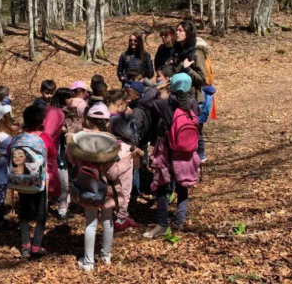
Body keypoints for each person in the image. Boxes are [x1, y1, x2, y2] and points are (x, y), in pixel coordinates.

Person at [66, 104, 132, 272]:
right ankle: (106, 256)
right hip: (107, 190)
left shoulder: (78, 138)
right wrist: (127, 159)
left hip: (86, 186)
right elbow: (112, 173)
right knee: (108, 220)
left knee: (90, 222)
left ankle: (88, 262)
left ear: (87, 120)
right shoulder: (110, 142)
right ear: (107, 122)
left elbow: (72, 160)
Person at [142, 73, 201, 238]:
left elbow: (144, 101)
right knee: (183, 187)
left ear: (171, 86)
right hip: (187, 152)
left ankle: (162, 224)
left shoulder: (165, 104)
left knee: (162, 188)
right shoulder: (193, 104)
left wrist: (157, 87)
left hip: (168, 152)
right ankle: (179, 221)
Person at [10, 105, 50, 258]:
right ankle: (36, 246)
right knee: (41, 214)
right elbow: (51, 153)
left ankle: (25, 245)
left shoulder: (18, 138)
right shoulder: (43, 138)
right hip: (38, 181)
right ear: (41, 122)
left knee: (24, 213)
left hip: (20, 180)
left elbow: (9, 153)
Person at [105, 90, 139, 231]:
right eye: (125, 107)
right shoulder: (116, 120)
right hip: (123, 152)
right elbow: (132, 135)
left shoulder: (102, 115)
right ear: (119, 104)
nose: (126, 109)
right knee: (125, 185)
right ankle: (121, 217)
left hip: (109, 150)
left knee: (112, 183)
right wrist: (131, 119)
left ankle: (109, 211)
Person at [49, 88, 75, 220]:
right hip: (57, 153)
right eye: (70, 97)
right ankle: (62, 211)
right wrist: (65, 131)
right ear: (63, 99)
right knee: (64, 183)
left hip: (52, 152)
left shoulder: (50, 110)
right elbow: (51, 132)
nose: (72, 100)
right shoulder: (58, 113)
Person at [167, 21, 206, 102]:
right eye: (176, 30)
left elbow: (202, 79)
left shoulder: (197, 52)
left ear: (188, 33)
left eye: (180, 31)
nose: (177, 33)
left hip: (192, 100)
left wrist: (188, 69)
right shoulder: (177, 51)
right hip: (177, 96)